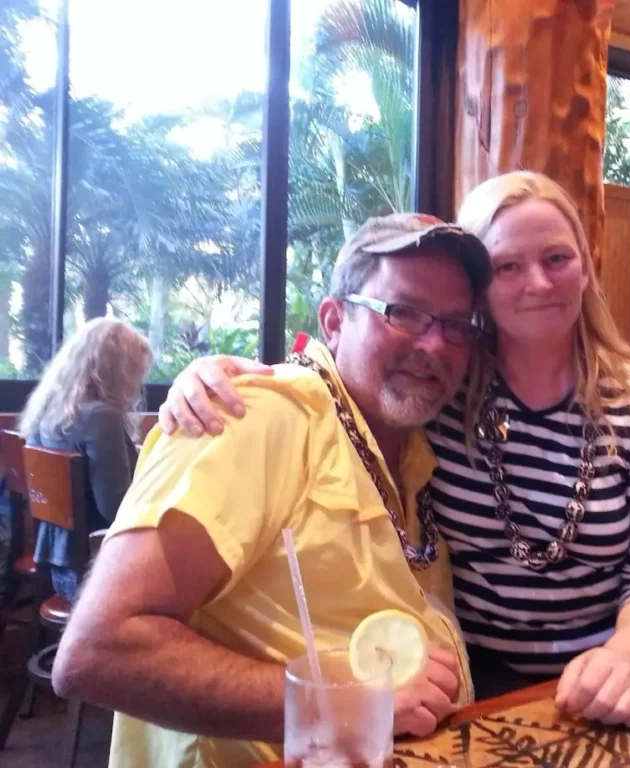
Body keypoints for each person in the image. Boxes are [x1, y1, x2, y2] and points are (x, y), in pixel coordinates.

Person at [160, 171, 630, 729]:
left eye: (557, 258)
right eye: (508, 266)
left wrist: (621, 658)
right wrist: (216, 376)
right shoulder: (443, 385)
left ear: (587, 265)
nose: (537, 283)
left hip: (615, 682)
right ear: (481, 291)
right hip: (476, 685)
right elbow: (345, 383)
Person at [52, 214, 493, 767]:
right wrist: (351, 700)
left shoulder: (421, 454)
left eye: (456, 326)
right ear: (333, 321)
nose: (435, 345)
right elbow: (99, 650)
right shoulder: (256, 417)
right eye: (403, 313)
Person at [18, 318, 152, 602]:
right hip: (93, 575)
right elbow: (116, 510)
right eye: (135, 373)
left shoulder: (48, 410)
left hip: (58, 565)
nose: (137, 384)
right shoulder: (101, 416)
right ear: (116, 371)